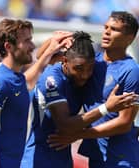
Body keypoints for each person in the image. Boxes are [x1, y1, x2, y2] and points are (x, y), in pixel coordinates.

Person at [20, 31, 137, 168]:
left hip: (63, 160)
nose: (85, 75)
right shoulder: (52, 80)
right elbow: (65, 126)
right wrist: (106, 108)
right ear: (64, 61)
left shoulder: (79, 79)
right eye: (79, 69)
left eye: (90, 69)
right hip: (38, 160)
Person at [0, 18, 73, 168]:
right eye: (26, 41)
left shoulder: (14, 78)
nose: (32, 46)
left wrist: (51, 49)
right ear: (8, 46)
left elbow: (25, 82)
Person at [48, 11, 139, 168]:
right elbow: (44, 59)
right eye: (106, 27)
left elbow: (124, 122)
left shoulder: (131, 71)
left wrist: (76, 135)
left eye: (115, 29)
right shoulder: (90, 63)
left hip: (121, 158)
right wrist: (57, 41)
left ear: (129, 38)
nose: (107, 32)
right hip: (96, 155)